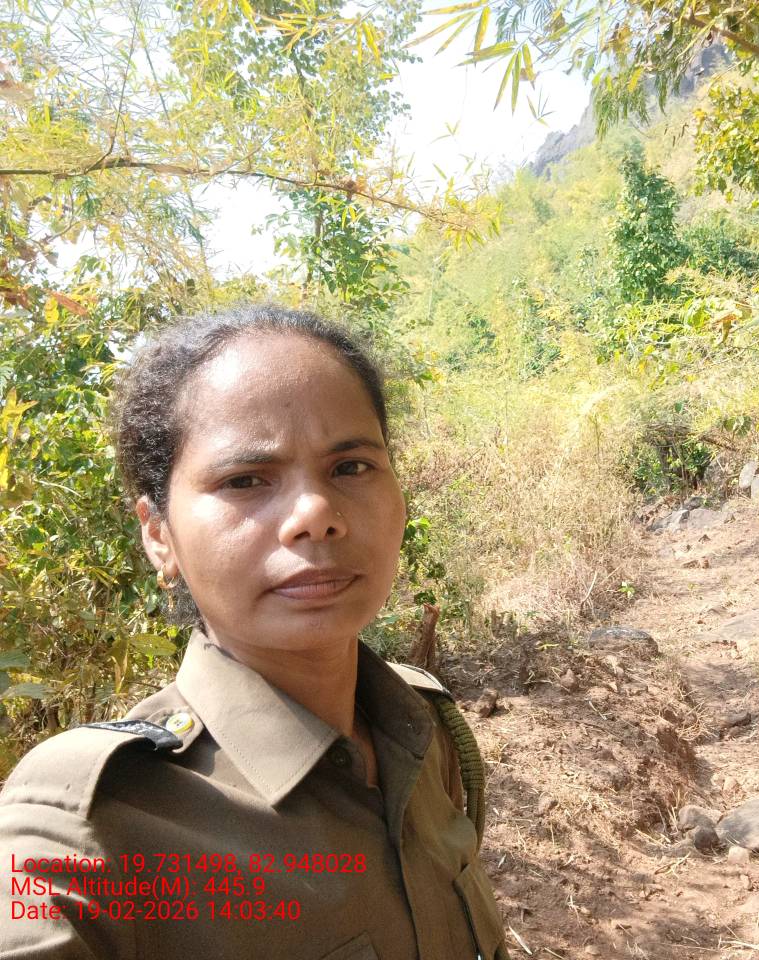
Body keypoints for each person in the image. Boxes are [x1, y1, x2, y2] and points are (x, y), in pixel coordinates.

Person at [0, 305, 511, 960]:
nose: (316, 514)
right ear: (159, 535)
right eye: (245, 480)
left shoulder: (424, 727)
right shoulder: (83, 832)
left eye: (351, 467)